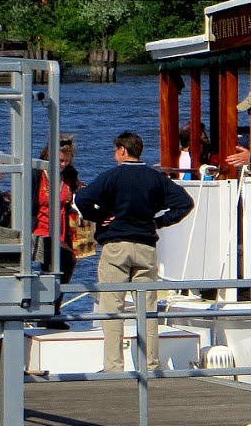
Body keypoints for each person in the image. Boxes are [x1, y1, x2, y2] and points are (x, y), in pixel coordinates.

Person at [76, 132, 194, 373]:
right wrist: (159, 222)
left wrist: (100, 217)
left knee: (112, 307)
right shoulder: (155, 178)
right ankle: (150, 365)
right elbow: (185, 203)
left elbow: (82, 199)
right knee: (147, 309)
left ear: (122, 151)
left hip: (117, 245)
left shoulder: (112, 177)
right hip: (145, 247)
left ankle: (113, 367)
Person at [33, 135, 79, 324]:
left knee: (66, 265)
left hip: (61, 227)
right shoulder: (37, 174)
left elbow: (73, 197)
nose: (63, 165)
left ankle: (53, 309)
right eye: (60, 161)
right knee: (53, 266)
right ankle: (47, 312)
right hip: (39, 227)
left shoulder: (69, 175)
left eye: (67, 162)